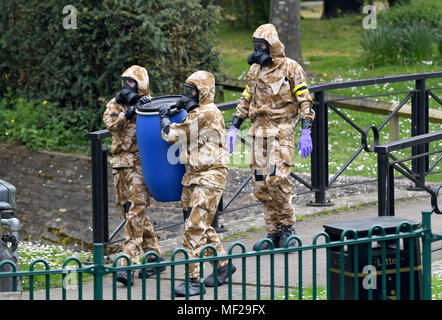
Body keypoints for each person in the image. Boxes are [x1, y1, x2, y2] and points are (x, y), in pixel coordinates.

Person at [227, 24, 315, 250]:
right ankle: (273, 232)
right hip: (258, 133)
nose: (257, 51)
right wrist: (235, 125)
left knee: (276, 180)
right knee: (260, 185)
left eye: (261, 46)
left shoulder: (291, 68)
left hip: (281, 131)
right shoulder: (255, 71)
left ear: (272, 46)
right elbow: (246, 98)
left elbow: (305, 98)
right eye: (255, 46)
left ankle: (288, 229)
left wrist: (306, 129)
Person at [159, 70, 236, 297]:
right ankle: (222, 266)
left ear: (204, 93)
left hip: (209, 176)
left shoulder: (205, 112)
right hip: (195, 175)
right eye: (187, 90)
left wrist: (164, 119)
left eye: (193, 91)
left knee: (193, 228)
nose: (189, 95)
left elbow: (173, 135)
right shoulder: (198, 112)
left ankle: (193, 281)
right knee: (203, 225)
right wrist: (181, 106)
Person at [103, 65, 165, 285]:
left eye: (132, 82)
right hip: (120, 165)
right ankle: (154, 258)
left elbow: (161, 128)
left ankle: (127, 264)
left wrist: (143, 109)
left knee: (136, 214)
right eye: (125, 81)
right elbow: (110, 124)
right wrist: (127, 113)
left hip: (140, 165)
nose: (127, 86)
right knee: (129, 212)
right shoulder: (116, 103)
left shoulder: (150, 104)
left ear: (141, 85)